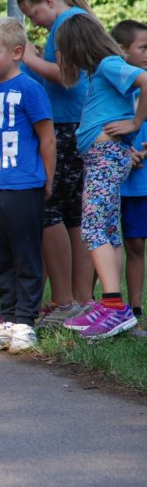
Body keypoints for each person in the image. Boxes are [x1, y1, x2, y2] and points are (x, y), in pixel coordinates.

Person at [53, 14, 147, 339]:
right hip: (102, 157)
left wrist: (135, 123)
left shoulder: (108, 64)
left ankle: (114, 307)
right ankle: (112, 306)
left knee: (92, 228)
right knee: (107, 230)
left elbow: (146, 81)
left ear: (79, 45)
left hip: (106, 157)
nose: (63, 56)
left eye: (65, 49)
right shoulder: (100, 71)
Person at [0, 18, 56, 354]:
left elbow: (47, 138)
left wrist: (47, 179)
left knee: (25, 254)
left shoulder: (30, 89)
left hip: (24, 186)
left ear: (17, 52)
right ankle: (7, 321)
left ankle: (25, 322)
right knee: (1, 255)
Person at [17, 0, 96, 325]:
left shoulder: (65, 24)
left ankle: (64, 300)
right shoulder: (74, 20)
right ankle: (82, 299)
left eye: (33, 14)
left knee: (49, 210)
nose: (34, 22)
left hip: (65, 128)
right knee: (74, 213)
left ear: (48, 2)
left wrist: (29, 57)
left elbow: (67, 76)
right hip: (79, 125)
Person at [111, 19, 147, 321]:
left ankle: (135, 308)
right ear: (122, 51)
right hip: (110, 180)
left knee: (135, 243)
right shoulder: (109, 86)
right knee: (103, 241)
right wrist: (124, 152)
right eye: (143, 48)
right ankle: (96, 303)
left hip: (139, 182)